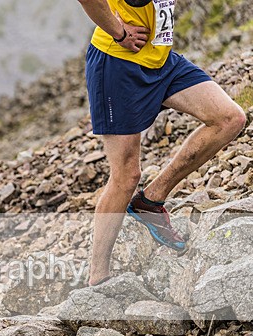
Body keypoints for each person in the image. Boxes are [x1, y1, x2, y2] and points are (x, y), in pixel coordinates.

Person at [77, 0, 246, 286]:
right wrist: (119, 32)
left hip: (161, 60)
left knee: (229, 119)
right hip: (117, 63)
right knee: (126, 176)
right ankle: (98, 277)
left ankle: (150, 200)